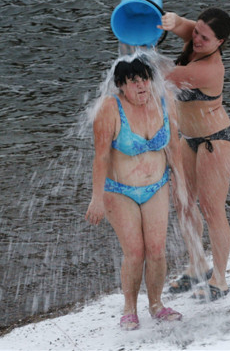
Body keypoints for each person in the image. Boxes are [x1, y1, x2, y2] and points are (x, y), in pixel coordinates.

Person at [85, 55, 186, 330]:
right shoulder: (109, 108)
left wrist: (181, 184)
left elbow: (174, 146)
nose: (142, 86)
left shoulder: (164, 99)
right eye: (134, 81)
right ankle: (129, 308)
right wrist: (95, 198)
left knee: (156, 250)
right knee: (135, 252)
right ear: (120, 86)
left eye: (145, 79)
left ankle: (156, 304)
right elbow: (101, 158)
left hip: (156, 186)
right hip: (119, 191)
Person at [157, 8, 230, 300]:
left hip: (216, 140)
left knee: (212, 209)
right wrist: (170, 21)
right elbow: (180, 24)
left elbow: (163, 74)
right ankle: (196, 266)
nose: (197, 40)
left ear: (220, 42)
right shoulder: (197, 34)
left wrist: (141, 46)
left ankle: (220, 279)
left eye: (205, 38)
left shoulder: (209, 68)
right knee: (183, 203)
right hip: (188, 138)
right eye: (197, 33)